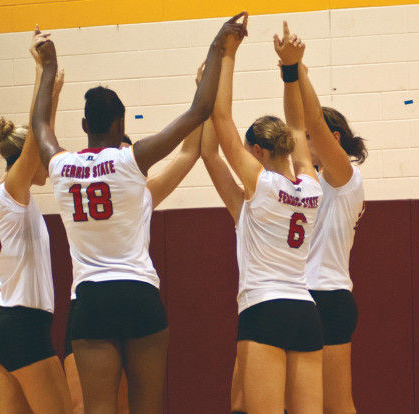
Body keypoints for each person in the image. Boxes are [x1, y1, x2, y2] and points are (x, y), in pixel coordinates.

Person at [32, 14, 247, 414]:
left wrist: (47, 67)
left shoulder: (60, 166)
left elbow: (40, 125)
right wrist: (219, 45)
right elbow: (199, 111)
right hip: (138, 295)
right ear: (121, 123)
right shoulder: (132, 160)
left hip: (91, 299)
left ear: (83, 124)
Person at [206, 19, 324, 413]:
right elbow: (299, 125)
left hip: (264, 309)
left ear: (256, 151)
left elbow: (222, 121)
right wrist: (290, 71)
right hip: (306, 311)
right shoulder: (310, 186)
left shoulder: (261, 186)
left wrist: (229, 54)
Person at [63, 127, 203, 414]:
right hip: (86, 303)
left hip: (126, 299)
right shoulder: (79, 184)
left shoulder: (144, 196)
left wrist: (204, 104)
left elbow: (188, 154)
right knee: (81, 405)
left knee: (127, 404)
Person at [0, 27, 71, 414]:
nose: (48, 166)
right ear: (23, 161)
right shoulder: (12, 190)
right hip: (24, 331)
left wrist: (53, 96)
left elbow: (38, 134)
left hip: (4, 331)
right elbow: (36, 142)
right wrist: (41, 73)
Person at [293, 28, 367, 414]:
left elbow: (314, 124)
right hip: (299, 298)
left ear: (332, 139)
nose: (302, 141)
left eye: (309, 136)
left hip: (329, 296)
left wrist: (297, 69)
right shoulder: (309, 183)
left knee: (336, 405)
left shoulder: (344, 178)